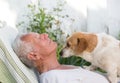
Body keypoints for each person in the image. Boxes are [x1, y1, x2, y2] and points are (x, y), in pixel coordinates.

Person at [12, 32, 109, 83]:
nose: (45, 35)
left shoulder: (60, 69)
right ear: (34, 55)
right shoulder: (52, 78)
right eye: (38, 38)